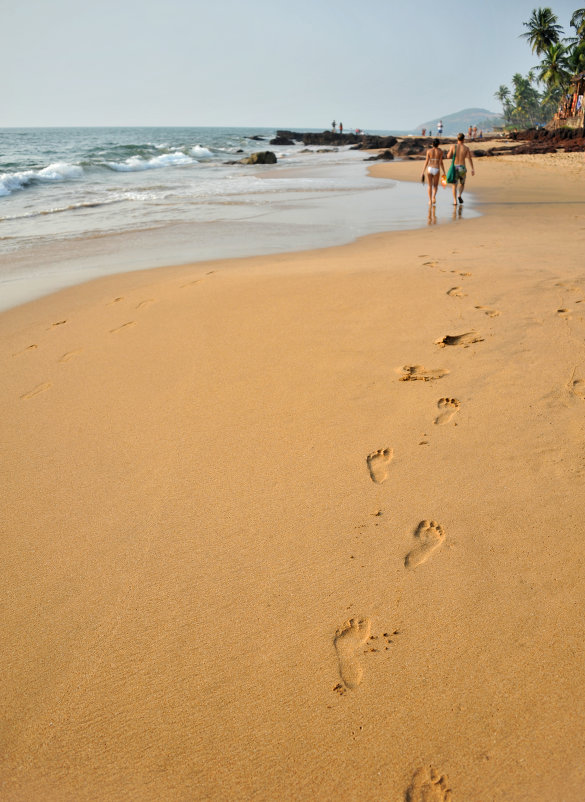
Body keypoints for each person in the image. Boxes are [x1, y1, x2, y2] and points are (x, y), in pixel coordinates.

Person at [447, 132, 475, 205]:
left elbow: (448, 156)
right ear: (463, 139)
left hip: (455, 167)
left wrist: (449, 153)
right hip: (462, 167)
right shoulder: (466, 148)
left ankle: (455, 201)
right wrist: (472, 168)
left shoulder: (453, 146)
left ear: (457, 139)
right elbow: (469, 158)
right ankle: (459, 195)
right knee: (462, 183)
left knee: (454, 185)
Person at [421, 138, 445, 206]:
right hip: (436, 168)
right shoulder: (440, 151)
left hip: (429, 168)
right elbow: (441, 162)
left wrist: (422, 171)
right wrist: (444, 171)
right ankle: (434, 196)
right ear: (438, 144)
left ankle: (430, 200)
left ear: (432, 144)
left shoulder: (429, 151)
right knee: (435, 185)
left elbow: (426, 161)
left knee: (429, 185)